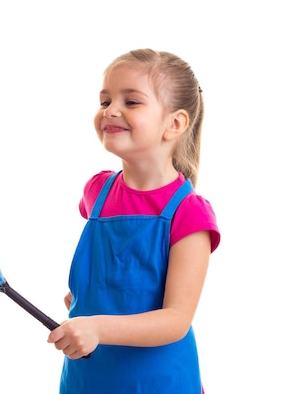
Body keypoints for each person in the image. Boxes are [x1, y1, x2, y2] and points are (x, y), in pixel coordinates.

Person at [47, 49, 221, 394]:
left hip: (159, 382)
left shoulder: (190, 214)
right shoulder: (96, 192)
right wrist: (85, 298)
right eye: (105, 100)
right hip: (89, 379)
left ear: (174, 124)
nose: (110, 110)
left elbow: (175, 319)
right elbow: (112, 274)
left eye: (132, 102)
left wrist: (97, 327)